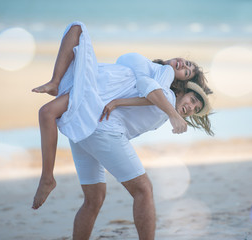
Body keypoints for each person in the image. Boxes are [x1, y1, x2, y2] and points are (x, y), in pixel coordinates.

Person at [30, 22, 214, 240]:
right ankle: (47, 176)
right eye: (193, 100)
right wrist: (174, 116)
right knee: (143, 190)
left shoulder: (158, 91)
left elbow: (144, 96)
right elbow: (150, 90)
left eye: (195, 110)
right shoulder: (166, 90)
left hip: (86, 122)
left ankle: (48, 177)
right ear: (183, 87)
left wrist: (118, 102)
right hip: (101, 126)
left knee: (94, 198)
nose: (191, 108)